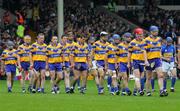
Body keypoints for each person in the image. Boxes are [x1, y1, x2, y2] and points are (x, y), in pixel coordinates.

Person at [144, 26, 168, 97]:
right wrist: (145, 61)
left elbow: (159, 49)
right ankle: (148, 91)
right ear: (151, 32)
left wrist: (160, 56)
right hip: (150, 60)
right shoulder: (146, 40)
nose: (156, 33)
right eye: (155, 31)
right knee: (149, 77)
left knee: (160, 75)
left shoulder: (159, 39)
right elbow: (144, 51)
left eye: (157, 31)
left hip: (157, 59)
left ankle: (161, 90)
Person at [128, 28, 149, 96]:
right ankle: (140, 90)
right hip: (135, 61)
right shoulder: (132, 43)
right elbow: (129, 54)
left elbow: (145, 51)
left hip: (142, 61)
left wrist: (146, 61)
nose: (141, 36)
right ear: (136, 34)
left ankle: (134, 91)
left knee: (141, 77)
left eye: (142, 34)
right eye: (139, 35)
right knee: (137, 76)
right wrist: (128, 63)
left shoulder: (144, 42)